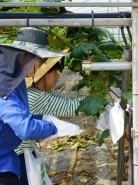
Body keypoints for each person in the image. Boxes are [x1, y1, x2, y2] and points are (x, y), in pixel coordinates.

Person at [10, 33, 83, 185]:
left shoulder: (35, 90)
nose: (58, 76)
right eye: (54, 71)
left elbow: (63, 101)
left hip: (21, 152)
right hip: (17, 156)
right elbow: (71, 107)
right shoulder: (37, 97)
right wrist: (104, 104)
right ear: (41, 75)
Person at [0, 27, 67, 185]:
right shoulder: (5, 83)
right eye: (41, 59)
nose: (42, 65)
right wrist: (53, 128)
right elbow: (26, 129)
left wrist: (42, 119)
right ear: (26, 56)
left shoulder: (12, 77)